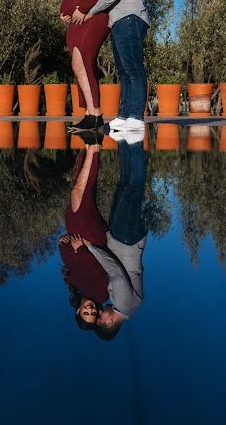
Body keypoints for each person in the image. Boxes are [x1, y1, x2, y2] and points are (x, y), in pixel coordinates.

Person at [70, 0, 149, 134]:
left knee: (133, 68)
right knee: (123, 70)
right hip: (120, 17)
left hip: (131, 16)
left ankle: (135, 116)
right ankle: (125, 115)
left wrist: (91, 11)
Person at [85, 137, 148, 340]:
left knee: (123, 186)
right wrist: (92, 248)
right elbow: (116, 273)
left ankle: (124, 139)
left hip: (122, 238)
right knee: (133, 188)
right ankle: (135, 141)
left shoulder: (123, 305)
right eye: (101, 317)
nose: (100, 311)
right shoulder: (124, 305)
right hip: (126, 240)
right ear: (109, 322)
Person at [59, 0, 113, 131]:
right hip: (76, 21)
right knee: (77, 65)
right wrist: (64, 11)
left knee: (84, 61)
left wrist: (83, 8)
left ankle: (96, 114)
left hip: (94, 16)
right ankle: (90, 113)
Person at [59, 133, 109, 330]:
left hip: (76, 234)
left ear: (78, 311)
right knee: (80, 194)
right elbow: (101, 265)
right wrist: (83, 248)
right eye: (93, 313)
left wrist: (63, 244)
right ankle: (94, 147)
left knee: (80, 188)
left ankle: (89, 143)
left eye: (86, 313)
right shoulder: (102, 294)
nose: (90, 309)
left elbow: (67, 258)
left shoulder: (73, 285)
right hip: (93, 239)